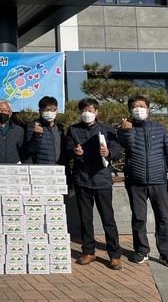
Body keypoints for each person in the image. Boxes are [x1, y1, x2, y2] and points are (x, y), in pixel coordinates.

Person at [117, 95, 168, 269]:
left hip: (159, 181)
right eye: (135, 106)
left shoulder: (160, 129)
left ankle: (167, 253)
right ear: (130, 110)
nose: (139, 109)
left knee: (164, 218)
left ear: (148, 109)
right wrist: (127, 131)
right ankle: (141, 250)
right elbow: (126, 146)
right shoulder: (124, 129)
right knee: (138, 218)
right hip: (135, 181)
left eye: (142, 106)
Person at [66, 98, 122, 270]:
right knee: (85, 219)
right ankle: (88, 252)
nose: (87, 113)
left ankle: (114, 255)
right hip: (82, 179)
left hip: (102, 179)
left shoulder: (107, 129)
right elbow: (67, 150)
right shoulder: (73, 129)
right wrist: (75, 152)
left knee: (108, 219)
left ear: (97, 112)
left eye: (90, 110)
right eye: (83, 110)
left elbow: (118, 150)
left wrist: (109, 152)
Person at [25, 96, 67, 165]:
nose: (49, 112)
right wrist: (36, 135)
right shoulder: (33, 126)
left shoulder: (60, 127)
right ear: (40, 111)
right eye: (46, 110)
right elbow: (31, 148)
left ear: (56, 111)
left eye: (52, 109)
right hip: (42, 168)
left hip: (60, 168)